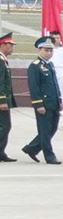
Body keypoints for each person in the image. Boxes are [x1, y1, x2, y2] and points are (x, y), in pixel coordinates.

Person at [24, 36, 63, 163]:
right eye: (46, 50)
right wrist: (38, 104)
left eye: (51, 50)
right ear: (39, 50)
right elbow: (34, 87)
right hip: (44, 104)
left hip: (54, 102)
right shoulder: (35, 66)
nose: (49, 53)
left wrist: (60, 100)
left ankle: (32, 148)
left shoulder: (50, 64)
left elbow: (55, 84)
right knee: (45, 130)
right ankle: (49, 156)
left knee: (52, 128)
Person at [0, 31, 15, 161]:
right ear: (3, 45)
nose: (12, 48)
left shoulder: (3, 60)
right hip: (1, 100)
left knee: (5, 126)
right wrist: (2, 100)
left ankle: (1, 152)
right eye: (10, 45)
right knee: (5, 126)